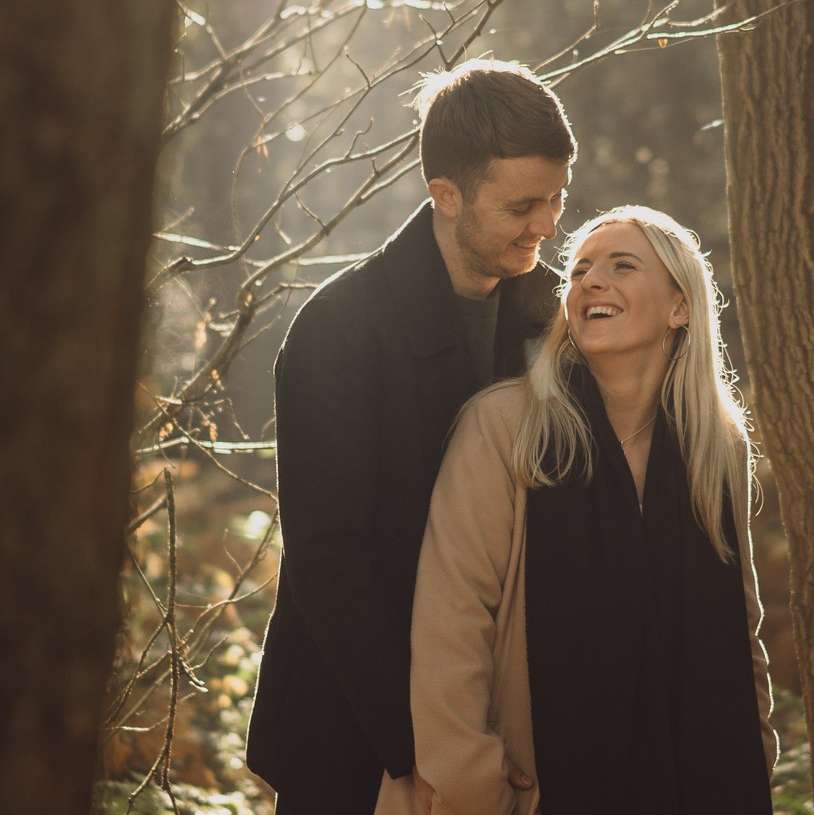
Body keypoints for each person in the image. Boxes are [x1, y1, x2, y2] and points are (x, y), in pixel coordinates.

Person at [246, 59, 577, 813]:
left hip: (509, 724)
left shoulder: (557, 317)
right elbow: (329, 560)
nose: (548, 225)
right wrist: (426, 741)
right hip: (358, 728)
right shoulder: (337, 329)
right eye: (524, 204)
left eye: (558, 198)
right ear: (445, 195)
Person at [384, 206, 777, 815]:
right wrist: (471, 782)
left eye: (623, 266)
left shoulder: (714, 445)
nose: (590, 281)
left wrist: (753, 757)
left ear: (680, 308)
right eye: (581, 270)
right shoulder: (506, 427)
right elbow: (451, 623)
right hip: (533, 796)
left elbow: (738, 623)